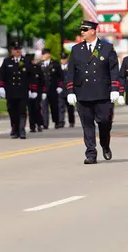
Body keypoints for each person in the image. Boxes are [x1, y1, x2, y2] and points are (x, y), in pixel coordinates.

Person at [66, 20, 120, 164]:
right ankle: (91, 153)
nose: (82, 32)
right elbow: (70, 71)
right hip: (83, 92)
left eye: (84, 29)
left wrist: (115, 89)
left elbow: (114, 70)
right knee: (87, 125)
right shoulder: (76, 49)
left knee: (104, 122)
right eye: (81, 29)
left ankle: (105, 143)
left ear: (93, 31)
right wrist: (70, 91)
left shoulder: (107, 48)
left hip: (103, 93)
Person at [0, 41, 34, 139]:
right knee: (12, 111)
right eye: (15, 49)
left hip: (23, 91)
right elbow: (2, 75)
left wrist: (32, 89)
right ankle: (15, 129)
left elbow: (32, 77)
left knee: (22, 111)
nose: (17, 51)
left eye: (19, 49)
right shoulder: (7, 61)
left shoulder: (26, 61)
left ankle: (22, 130)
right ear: (12, 51)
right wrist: (1, 87)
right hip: (11, 92)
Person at [40, 48, 64, 129]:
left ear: (48, 54)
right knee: (44, 107)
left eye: (44, 54)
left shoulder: (55, 64)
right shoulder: (40, 65)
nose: (42, 56)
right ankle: (45, 123)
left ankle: (56, 121)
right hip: (43, 90)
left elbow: (60, 76)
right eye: (42, 54)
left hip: (53, 89)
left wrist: (60, 86)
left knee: (54, 107)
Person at [25, 53, 44, 133]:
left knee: (37, 108)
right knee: (30, 109)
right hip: (29, 92)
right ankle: (32, 126)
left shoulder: (37, 68)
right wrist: (28, 90)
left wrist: (43, 91)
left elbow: (42, 80)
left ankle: (39, 124)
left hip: (37, 92)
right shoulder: (26, 69)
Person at [58, 52, 75, 127]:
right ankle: (61, 121)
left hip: (69, 90)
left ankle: (71, 121)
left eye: (64, 59)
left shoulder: (70, 67)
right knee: (61, 107)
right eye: (62, 59)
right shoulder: (58, 68)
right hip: (61, 90)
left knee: (70, 107)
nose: (63, 60)